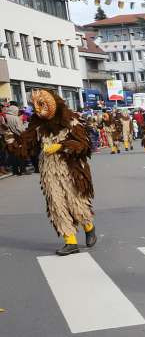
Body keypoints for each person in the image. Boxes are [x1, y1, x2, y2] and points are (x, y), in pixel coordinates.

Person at [11, 89, 97, 255]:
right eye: (34, 106)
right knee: (56, 204)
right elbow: (25, 145)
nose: (37, 110)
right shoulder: (36, 126)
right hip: (49, 171)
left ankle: (88, 226)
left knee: (76, 202)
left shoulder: (71, 120)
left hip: (71, 170)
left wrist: (62, 146)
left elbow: (84, 145)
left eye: (41, 105)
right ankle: (70, 241)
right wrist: (9, 138)